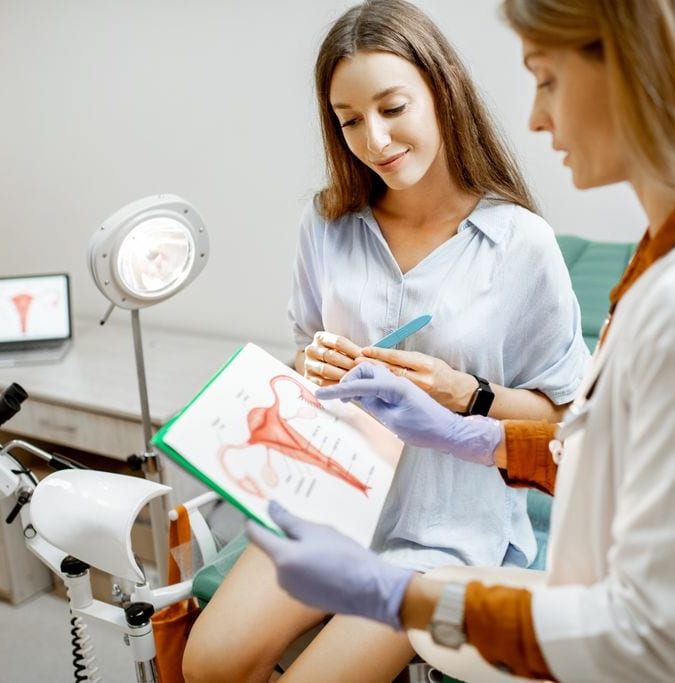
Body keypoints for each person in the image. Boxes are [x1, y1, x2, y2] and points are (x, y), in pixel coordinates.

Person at [247, 0, 675, 681]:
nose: (537, 117)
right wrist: (466, 432)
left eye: (546, 79)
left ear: (637, 72)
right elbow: (612, 452)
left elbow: (648, 637)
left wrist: (396, 595)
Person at [182, 1, 589, 681]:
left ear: (442, 90)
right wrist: (312, 362)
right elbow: (302, 352)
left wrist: (469, 393)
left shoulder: (521, 244)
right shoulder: (327, 223)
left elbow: (565, 419)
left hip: (444, 530)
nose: (374, 139)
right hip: (329, 500)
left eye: (393, 106)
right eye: (349, 121)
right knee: (208, 663)